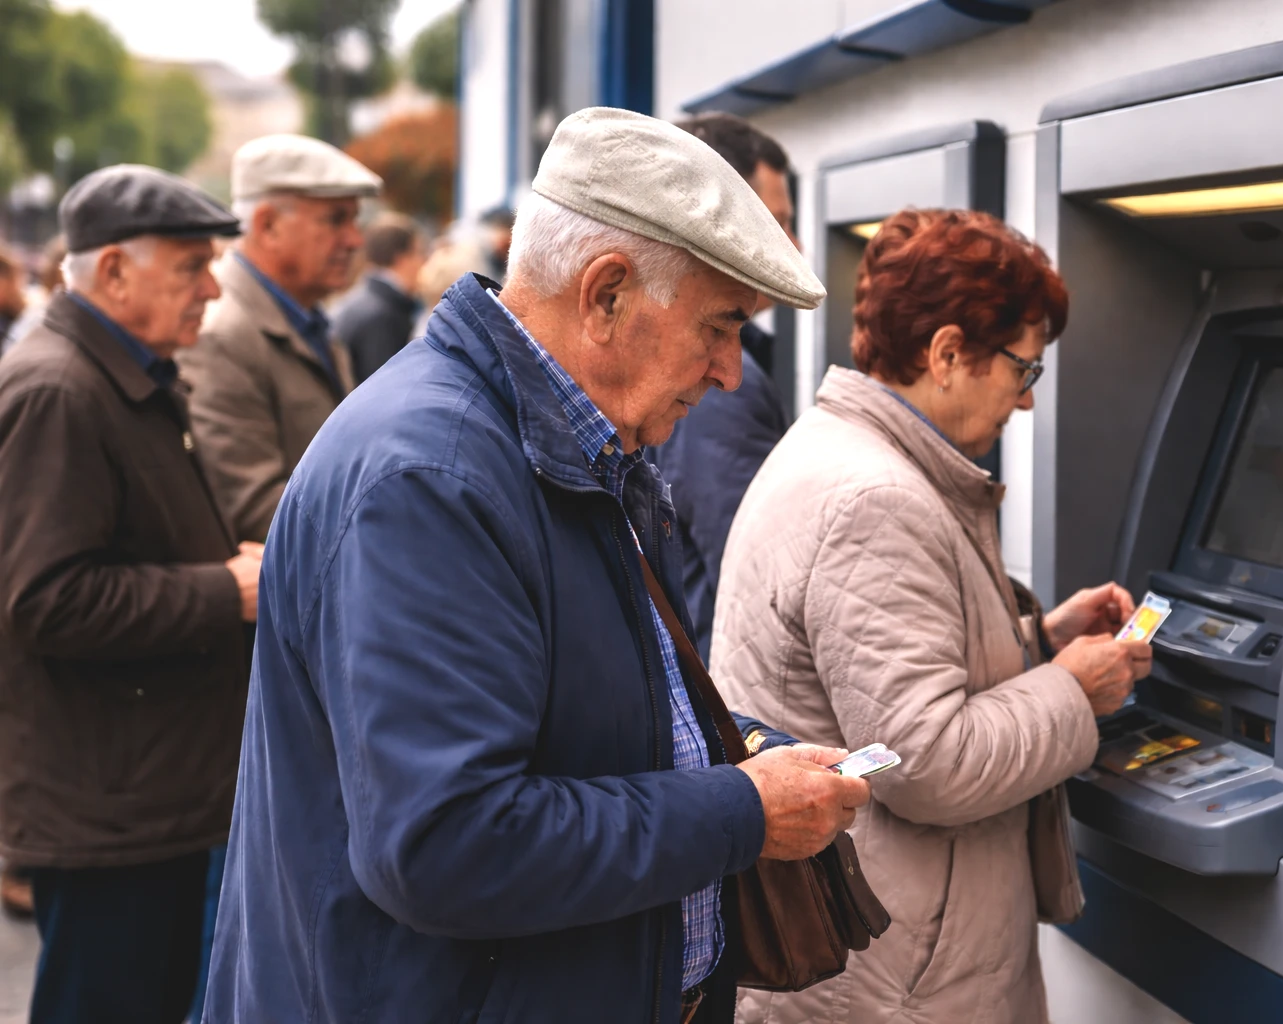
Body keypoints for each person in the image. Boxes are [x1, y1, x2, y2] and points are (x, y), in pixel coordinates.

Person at [205, 107, 871, 1024]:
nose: (728, 372)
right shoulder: (432, 475)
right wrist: (741, 812)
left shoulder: (547, 439)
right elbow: (446, 844)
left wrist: (733, 744)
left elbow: (573, 709)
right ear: (606, 294)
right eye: (720, 327)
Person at [712, 208, 1155, 1023]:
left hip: (885, 956)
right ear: (948, 353)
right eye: (1023, 369)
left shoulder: (840, 450)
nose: (1025, 402)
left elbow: (874, 680)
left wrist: (1038, 640)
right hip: (899, 980)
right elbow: (922, 761)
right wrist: (1070, 689)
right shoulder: (875, 498)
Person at [0, 165, 262, 1024]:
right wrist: (224, 591)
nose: (212, 286)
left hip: (146, 791)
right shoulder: (59, 389)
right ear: (113, 271)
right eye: (191, 266)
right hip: (111, 807)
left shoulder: (126, 372)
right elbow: (49, 599)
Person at [179, 133, 381, 542]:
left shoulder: (305, 316)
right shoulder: (223, 334)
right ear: (267, 226)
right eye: (336, 219)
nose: (355, 240)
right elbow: (252, 508)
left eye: (354, 220)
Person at [650, 112, 798, 662]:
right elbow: (753, 575)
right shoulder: (720, 390)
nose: (796, 244)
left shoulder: (726, 364)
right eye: (778, 223)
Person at [334, 212, 426, 384]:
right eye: (418, 253)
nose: (423, 262)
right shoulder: (383, 315)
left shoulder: (364, 301)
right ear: (402, 258)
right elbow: (386, 389)